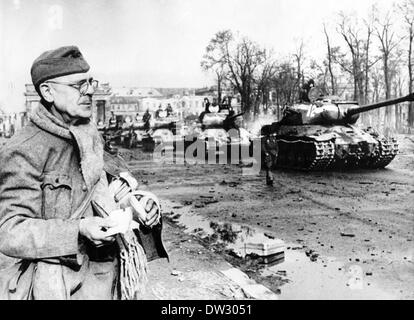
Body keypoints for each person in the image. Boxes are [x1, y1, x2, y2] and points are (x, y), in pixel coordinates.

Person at [0, 45, 167, 300]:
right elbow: (11, 231)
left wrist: (136, 204)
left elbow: (106, 193)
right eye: (79, 85)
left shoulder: (89, 134)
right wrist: (78, 230)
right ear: (47, 92)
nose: (89, 91)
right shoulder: (23, 150)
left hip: (110, 282)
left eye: (90, 82)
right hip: (58, 288)